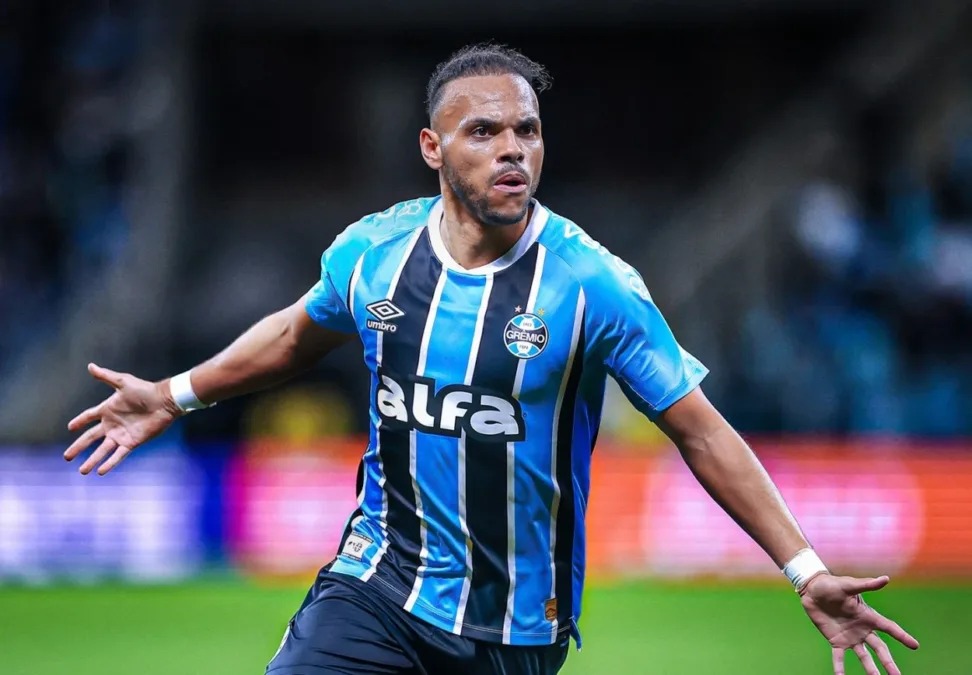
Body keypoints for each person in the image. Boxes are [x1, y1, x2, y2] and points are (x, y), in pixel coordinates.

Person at [64, 43, 919, 675]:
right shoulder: (373, 254)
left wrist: (805, 569)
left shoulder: (592, 285)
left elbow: (700, 430)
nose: (513, 149)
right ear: (433, 149)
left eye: (527, 130)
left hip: (516, 628)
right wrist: (174, 394)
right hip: (376, 587)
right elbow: (295, 334)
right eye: (484, 131)